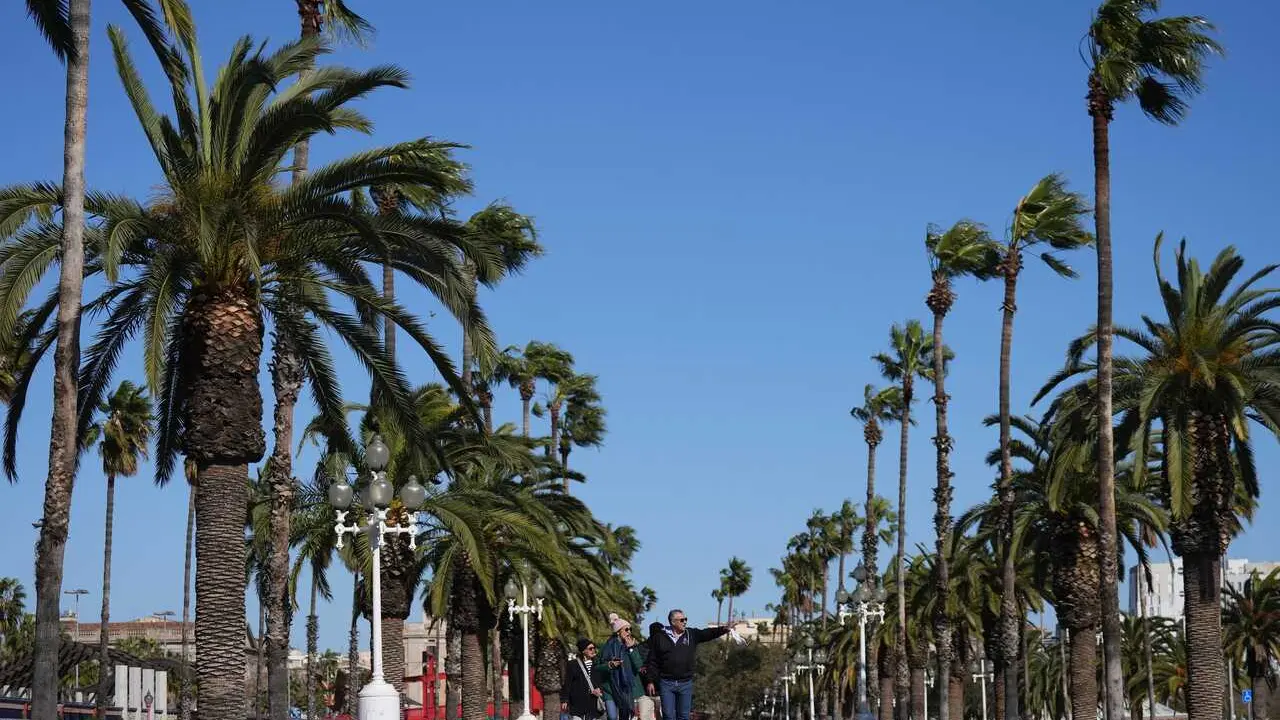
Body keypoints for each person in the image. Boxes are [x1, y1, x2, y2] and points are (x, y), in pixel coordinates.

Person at [643, 609, 731, 720]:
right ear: (673, 622)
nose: (685, 622)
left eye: (685, 619)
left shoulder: (691, 634)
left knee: (684, 716)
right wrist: (650, 680)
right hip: (666, 684)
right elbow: (652, 660)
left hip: (685, 684)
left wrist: (723, 629)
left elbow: (707, 633)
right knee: (668, 716)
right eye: (681, 620)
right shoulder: (660, 637)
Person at [597, 613, 645, 720]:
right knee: (613, 717)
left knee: (625, 716)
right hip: (610, 687)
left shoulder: (632, 646)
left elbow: (639, 666)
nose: (629, 632)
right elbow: (597, 666)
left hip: (626, 688)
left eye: (630, 629)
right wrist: (610, 665)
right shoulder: (606, 648)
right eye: (626, 629)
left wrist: (631, 649)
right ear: (618, 632)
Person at [563, 637, 605, 720]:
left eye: (594, 648)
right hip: (577, 703)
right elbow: (567, 683)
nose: (593, 650)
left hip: (593, 703)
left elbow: (601, 681)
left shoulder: (597, 664)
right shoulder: (573, 665)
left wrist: (599, 690)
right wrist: (565, 700)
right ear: (583, 650)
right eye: (590, 649)